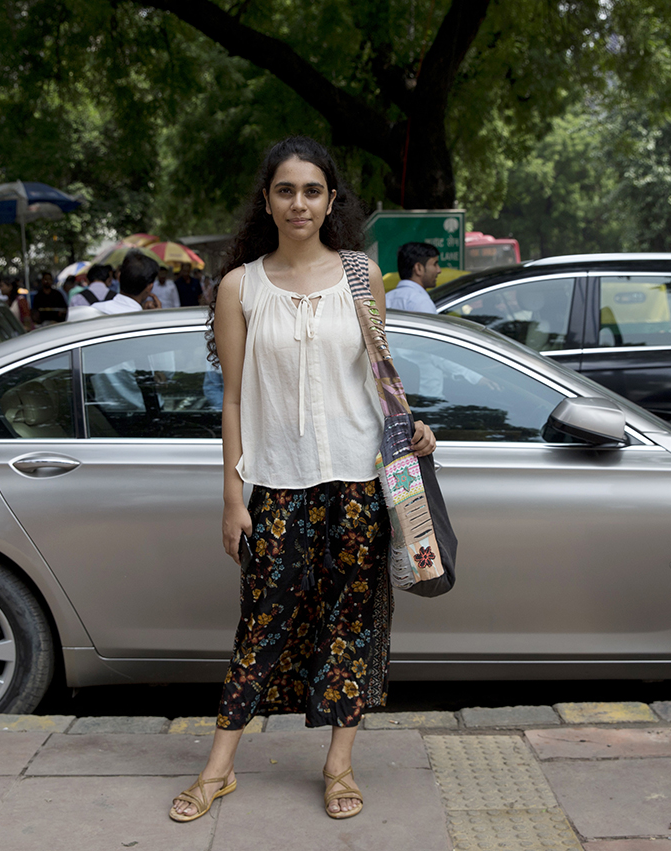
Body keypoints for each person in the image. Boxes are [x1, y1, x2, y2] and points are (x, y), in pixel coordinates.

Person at [168, 136, 436, 824]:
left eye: (312, 191)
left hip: (358, 483)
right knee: (262, 624)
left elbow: (380, 375)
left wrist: (412, 425)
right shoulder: (241, 286)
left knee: (349, 621)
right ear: (267, 200)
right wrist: (233, 496)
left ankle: (339, 763)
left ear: (331, 201)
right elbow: (232, 400)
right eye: (286, 190)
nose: (299, 203)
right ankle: (219, 768)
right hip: (277, 486)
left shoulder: (361, 276)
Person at [385, 242, 441, 313]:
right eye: (435, 264)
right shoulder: (421, 302)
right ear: (418, 268)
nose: (439, 270)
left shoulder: (385, 299)